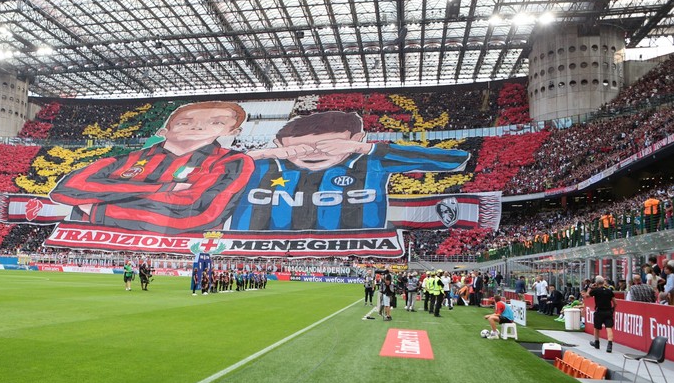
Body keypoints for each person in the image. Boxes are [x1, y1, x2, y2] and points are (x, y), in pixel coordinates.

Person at [230, 111, 469, 231]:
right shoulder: (258, 166)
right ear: (281, 145)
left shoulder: (371, 161)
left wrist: (365, 149)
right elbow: (200, 175)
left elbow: (454, 159)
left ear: (356, 138)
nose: (314, 153)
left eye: (327, 145)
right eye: (302, 148)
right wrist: (258, 154)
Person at [50, 101, 253, 234]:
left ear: (232, 132)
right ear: (163, 130)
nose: (197, 126)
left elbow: (196, 211)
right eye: (185, 122)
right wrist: (163, 189)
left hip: (180, 248)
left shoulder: (232, 162)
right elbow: (67, 190)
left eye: (216, 122)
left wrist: (99, 208)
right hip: (89, 241)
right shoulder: (124, 159)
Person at [582, 275, 616, 353]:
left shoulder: (596, 291)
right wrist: (613, 309)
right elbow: (615, 302)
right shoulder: (609, 291)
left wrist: (590, 288)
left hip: (599, 311)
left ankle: (597, 343)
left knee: (596, 327)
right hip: (608, 311)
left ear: (596, 283)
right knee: (609, 328)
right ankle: (609, 344)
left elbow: (586, 296)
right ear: (603, 282)